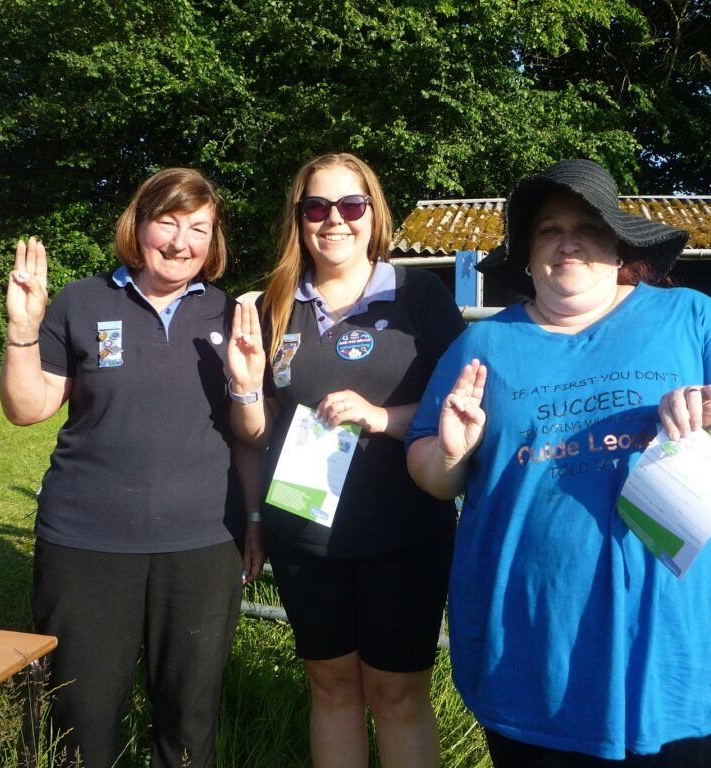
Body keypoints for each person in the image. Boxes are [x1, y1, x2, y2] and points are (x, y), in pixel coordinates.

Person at [405, 158, 711, 767]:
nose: (568, 242)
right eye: (549, 230)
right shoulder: (483, 344)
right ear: (527, 256)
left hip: (674, 657)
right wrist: (450, 451)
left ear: (619, 246)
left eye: (588, 227)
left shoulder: (690, 317)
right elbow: (429, 475)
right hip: (529, 652)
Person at [0, 167, 264, 768]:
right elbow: (27, 408)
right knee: (82, 714)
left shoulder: (231, 315)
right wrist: (23, 328)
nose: (181, 242)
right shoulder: (81, 302)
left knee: (190, 718)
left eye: (199, 228)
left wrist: (253, 518)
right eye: (166, 222)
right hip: (86, 541)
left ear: (214, 239)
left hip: (203, 543)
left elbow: (248, 437)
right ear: (137, 225)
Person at [227, 152, 465, 768]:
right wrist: (246, 388)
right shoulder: (272, 304)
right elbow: (256, 433)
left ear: (372, 213)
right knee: (331, 687)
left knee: (398, 693)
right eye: (317, 207)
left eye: (350, 204)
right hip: (303, 532)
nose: (335, 219)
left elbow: (464, 406)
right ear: (299, 218)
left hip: (405, 531)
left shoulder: (418, 295)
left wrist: (382, 417)